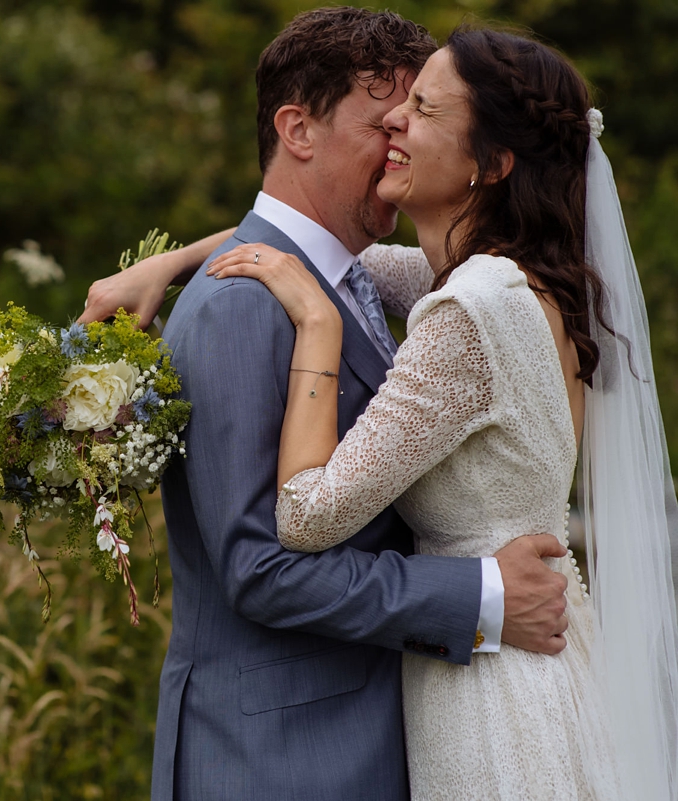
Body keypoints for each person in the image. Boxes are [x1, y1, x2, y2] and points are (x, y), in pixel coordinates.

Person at [91, 24, 678, 801]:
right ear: (297, 129)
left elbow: (304, 517)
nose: (400, 126)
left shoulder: (465, 305)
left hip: (492, 697)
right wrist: (167, 263)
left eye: (421, 112)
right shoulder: (487, 280)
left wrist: (319, 329)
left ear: (490, 164)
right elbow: (259, 567)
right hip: (299, 748)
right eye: (386, 117)